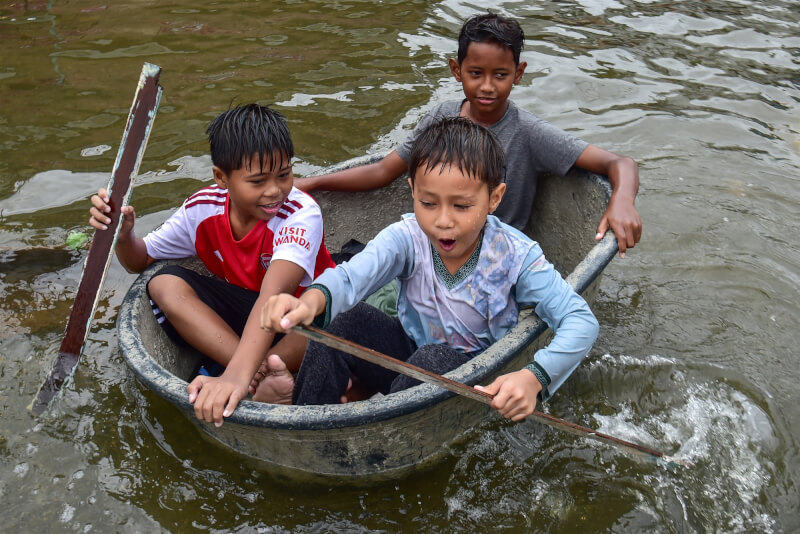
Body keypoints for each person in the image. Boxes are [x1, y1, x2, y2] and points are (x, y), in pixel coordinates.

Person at [193, 116, 599, 428]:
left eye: (461, 206)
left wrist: (533, 377)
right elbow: (354, 277)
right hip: (405, 351)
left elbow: (580, 321)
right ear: (411, 193)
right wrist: (309, 302)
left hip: (469, 370)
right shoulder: (406, 236)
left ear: (494, 198)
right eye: (428, 203)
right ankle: (306, 419)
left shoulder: (516, 256)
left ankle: (379, 424)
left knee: (434, 356)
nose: (443, 222)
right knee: (344, 319)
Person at [294, 12, 641, 257]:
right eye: (476, 73)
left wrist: (621, 200)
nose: (487, 86)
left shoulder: (528, 133)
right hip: (438, 244)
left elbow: (619, 163)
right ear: (457, 70)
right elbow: (384, 170)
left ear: (518, 74)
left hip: (494, 258)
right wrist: (313, 183)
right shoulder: (441, 117)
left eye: (500, 75)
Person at [89, 104, 336, 423]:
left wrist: (234, 378)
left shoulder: (301, 214)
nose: (275, 191)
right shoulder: (202, 209)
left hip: (302, 318)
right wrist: (123, 235)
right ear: (221, 178)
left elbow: (272, 297)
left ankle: (251, 373)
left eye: (284, 175)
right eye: (258, 181)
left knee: (337, 320)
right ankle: (263, 373)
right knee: (162, 282)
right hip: (249, 323)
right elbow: (141, 259)